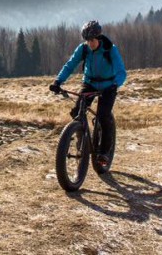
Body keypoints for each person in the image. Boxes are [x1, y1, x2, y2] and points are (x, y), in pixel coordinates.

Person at [50, 20, 127, 168]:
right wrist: (58, 82)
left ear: (99, 37)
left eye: (92, 40)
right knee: (76, 112)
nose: (90, 43)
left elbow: (121, 72)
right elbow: (70, 65)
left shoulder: (110, 49)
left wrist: (115, 85)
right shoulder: (83, 49)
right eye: (87, 40)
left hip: (108, 85)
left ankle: (104, 152)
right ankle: (81, 138)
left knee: (103, 116)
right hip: (90, 83)